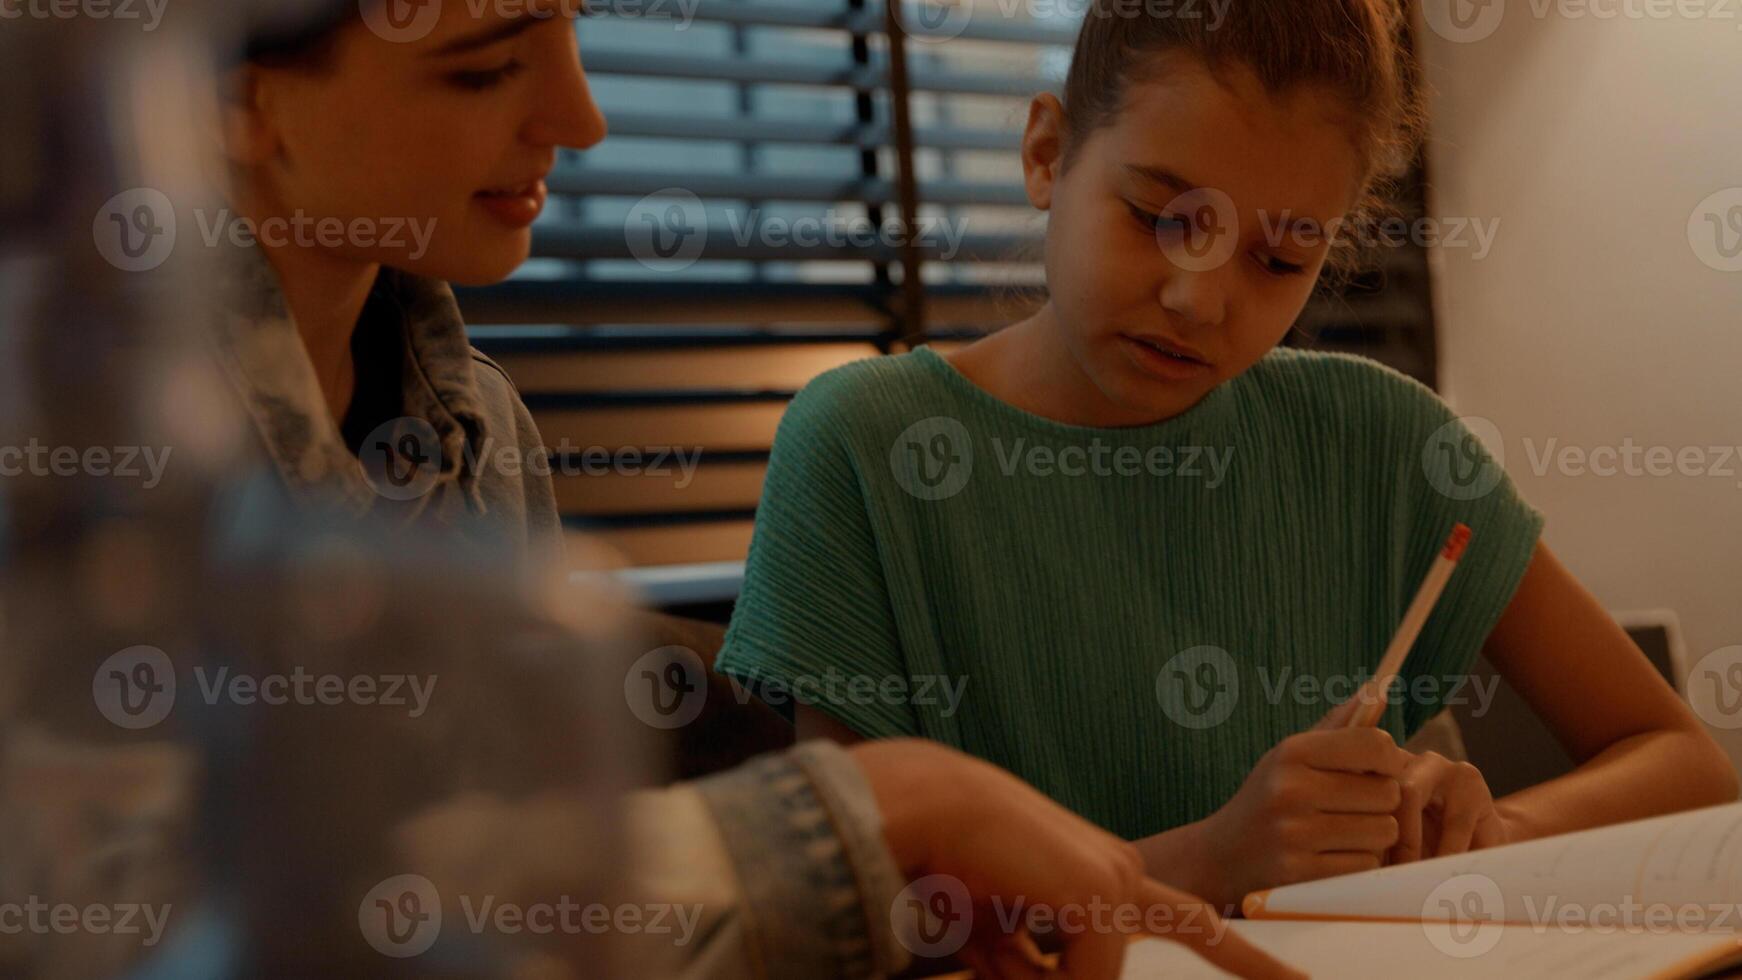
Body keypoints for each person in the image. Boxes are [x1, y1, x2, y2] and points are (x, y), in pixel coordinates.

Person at [174, 2, 1300, 976]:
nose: (580, 117)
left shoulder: (472, 429)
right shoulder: (92, 480)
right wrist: (874, 814)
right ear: (238, 100)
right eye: (484, 66)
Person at [715, 0, 1739, 911]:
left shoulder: (1379, 441)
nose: (1199, 298)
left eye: (1278, 256)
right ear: (1045, 153)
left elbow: (1682, 762)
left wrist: (1487, 835)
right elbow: (854, 918)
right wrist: (1206, 860)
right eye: (1162, 217)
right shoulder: (862, 444)